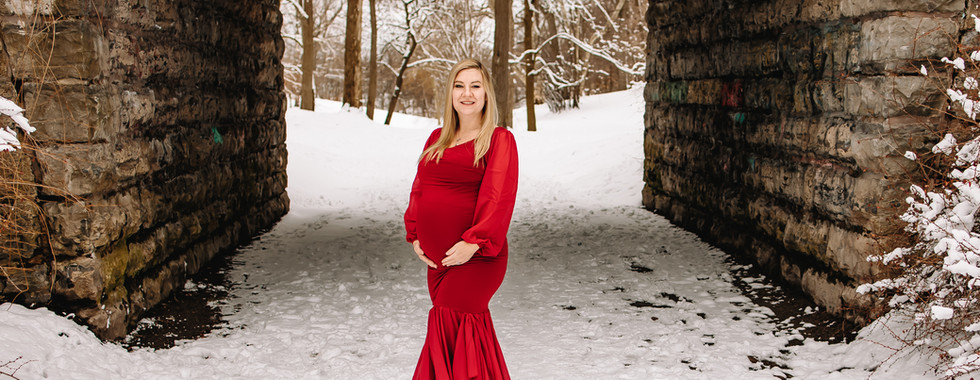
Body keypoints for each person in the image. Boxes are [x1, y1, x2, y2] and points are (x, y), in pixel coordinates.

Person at [404, 58, 519, 379]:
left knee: (452, 323)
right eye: (459, 86)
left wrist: (474, 242)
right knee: (458, 337)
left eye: (475, 86)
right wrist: (415, 234)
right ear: (451, 93)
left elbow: (499, 197)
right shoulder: (436, 138)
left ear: (486, 94)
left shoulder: (498, 139)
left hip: (477, 258)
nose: (467, 93)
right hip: (438, 264)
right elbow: (420, 188)